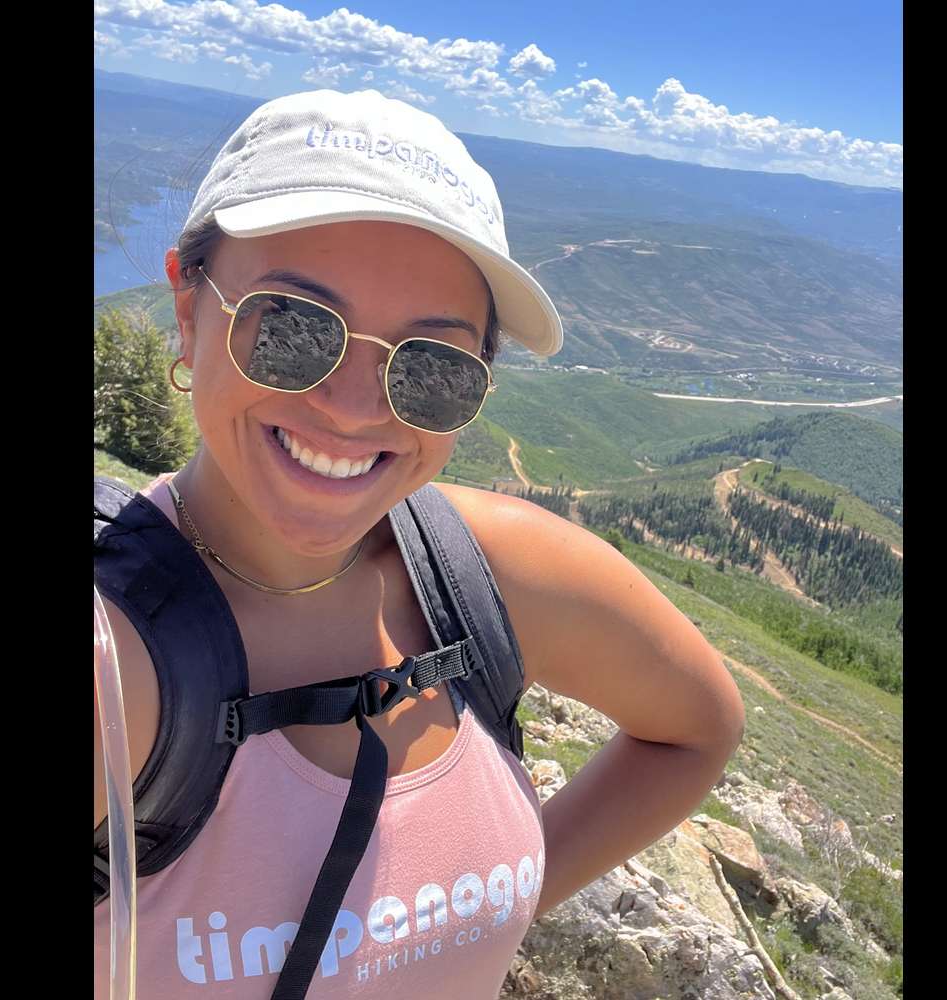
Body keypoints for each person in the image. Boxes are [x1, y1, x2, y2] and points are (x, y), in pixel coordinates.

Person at [93, 88, 745, 999]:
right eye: (292, 328)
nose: (356, 408)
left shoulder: (500, 575)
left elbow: (700, 729)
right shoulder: (112, 670)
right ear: (189, 307)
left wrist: (481, 914)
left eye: (431, 367)